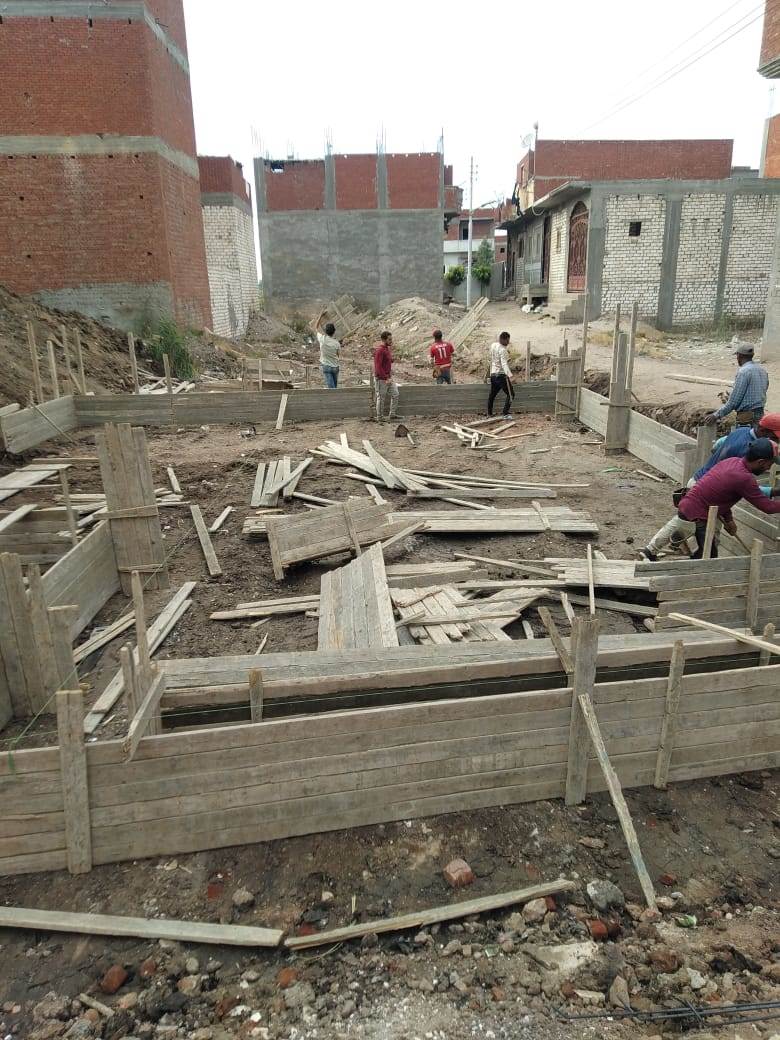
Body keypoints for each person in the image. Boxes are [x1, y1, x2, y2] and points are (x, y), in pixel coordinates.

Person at [640, 415, 780, 559]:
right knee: (708, 558)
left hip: (690, 504)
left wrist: (729, 519)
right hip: (699, 515)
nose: (768, 468)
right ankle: (682, 553)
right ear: (761, 462)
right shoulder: (744, 478)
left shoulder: (732, 461)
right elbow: (767, 507)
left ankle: (651, 551)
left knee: (696, 545)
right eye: (769, 464)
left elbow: (721, 496)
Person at [704, 342, 768, 427]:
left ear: (739, 355)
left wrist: (715, 415)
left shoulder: (743, 372)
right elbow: (762, 390)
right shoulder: (762, 371)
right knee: (756, 434)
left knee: (744, 435)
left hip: (747, 417)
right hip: (760, 414)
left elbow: (733, 402)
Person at [373, 331, 399, 421]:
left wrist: (391, 360)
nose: (391, 341)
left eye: (391, 339)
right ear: (384, 340)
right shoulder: (380, 350)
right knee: (381, 398)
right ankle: (379, 417)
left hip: (388, 377)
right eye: (389, 339)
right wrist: (386, 378)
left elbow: (386, 361)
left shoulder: (387, 349)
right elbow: (378, 367)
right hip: (381, 378)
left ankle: (392, 414)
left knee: (395, 394)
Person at [487, 332, 514, 416]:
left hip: (493, 374)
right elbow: (504, 364)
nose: (508, 342)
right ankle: (505, 413)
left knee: (492, 395)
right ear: (503, 339)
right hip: (501, 375)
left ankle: (489, 413)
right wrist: (510, 376)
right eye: (507, 340)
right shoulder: (503, 350)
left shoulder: (493, 345)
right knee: (511, 394)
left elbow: (492, 358)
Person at [313, 311, 341, 389]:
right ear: (334, 332)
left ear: (325, 331)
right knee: (334, 387)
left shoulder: (322, 339)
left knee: (331, 389)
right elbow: (338, 355)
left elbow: (316, 327)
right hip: (335, 366)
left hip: (326, 366)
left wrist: (320, 316)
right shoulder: (337, 343)